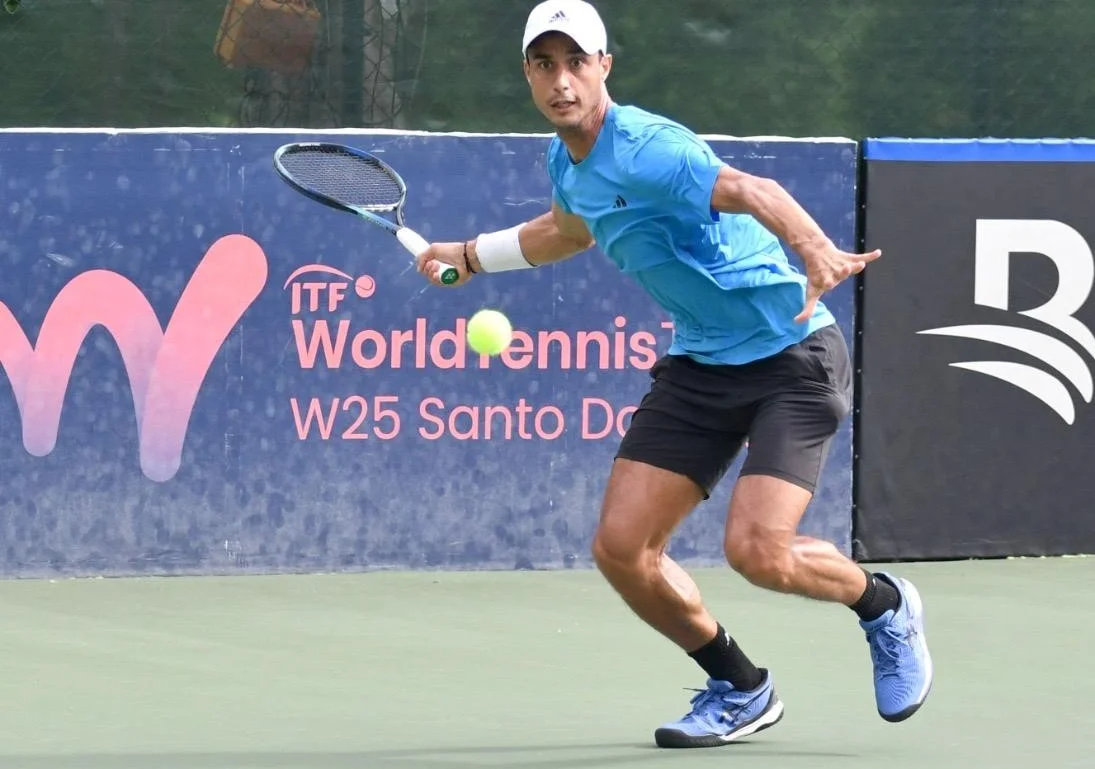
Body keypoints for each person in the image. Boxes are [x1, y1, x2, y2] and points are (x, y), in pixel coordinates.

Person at [415, 0, 933, 750]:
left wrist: (815, 249)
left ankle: (883, 606)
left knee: (758, 551)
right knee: (622, 549)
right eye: (543, 65)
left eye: (575, 62)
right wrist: (469, 254)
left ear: (604, 67)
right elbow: (567, 230)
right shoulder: (565, 160)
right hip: (701, 363)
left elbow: (753, 191)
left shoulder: (649, 147)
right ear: (527, 74)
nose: (561, 81)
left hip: (790, 354)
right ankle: (739, 686)